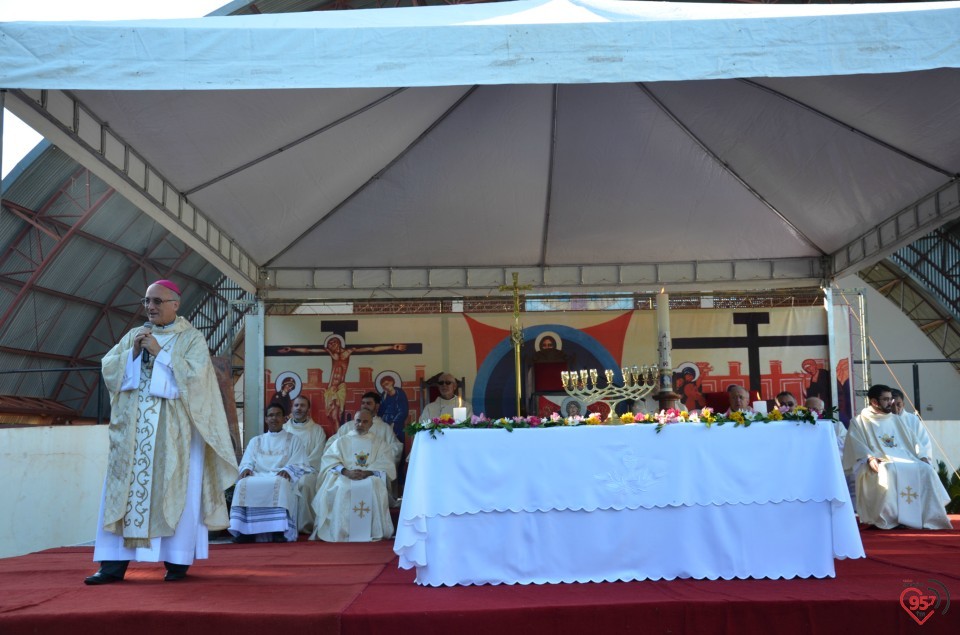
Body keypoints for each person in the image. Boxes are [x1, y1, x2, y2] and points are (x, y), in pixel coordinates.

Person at [86, 280, 238, 585]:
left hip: (174, 435)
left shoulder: (191, 338)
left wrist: (161, 354)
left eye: (157, 301)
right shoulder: (134, 335)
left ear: (175, 304)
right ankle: (112, 567)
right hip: (131, 437)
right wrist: (132, 354)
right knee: (122, 496)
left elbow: (198, 382)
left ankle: (176, 562)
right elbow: (110, 367)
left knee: (174, 489)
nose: (151, 307)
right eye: (146, 301)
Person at [842, 384, 950, 530]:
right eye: (886, 399)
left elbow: (914, 441)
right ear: (874, 402)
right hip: (879, 461)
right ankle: (889, 518)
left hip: (905, 458)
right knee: (887, 470)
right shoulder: (860, 421)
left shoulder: (895, 419)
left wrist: (922, 456)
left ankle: (927, 517)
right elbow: (857, 444)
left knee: (927, 470)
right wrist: (870, 458)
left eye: (891, 399)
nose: (890, 403)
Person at [230, 403, 311, 543]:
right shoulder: (256, 441)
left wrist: (287, 469)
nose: (274, 418)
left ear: (284, 418)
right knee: (243, 483)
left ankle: (278, 531)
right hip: (257, 475)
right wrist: (247, 468)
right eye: (271, 415)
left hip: (280, 476)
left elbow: (300, 462)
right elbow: (247, 460)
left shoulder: (294, 440)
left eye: (278, 414)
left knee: (281, 483)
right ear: (266, 419)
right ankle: (245, 531)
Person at [310, 410, 396, 542]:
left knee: (375, 484)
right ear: (353, 422)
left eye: (365, 421)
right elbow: (329, 460)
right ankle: (341, 531)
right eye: (358, 420)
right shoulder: (341, 441)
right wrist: (346, 471)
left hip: (369, 476)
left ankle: (372, 530)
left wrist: (369, 472)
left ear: (371, 424)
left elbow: (387, 464)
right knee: (342, 485)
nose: (360, 424)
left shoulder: (379, 443)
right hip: (345, 475)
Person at [282, 396, 327, 534]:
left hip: (308, 470)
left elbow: (318, 454)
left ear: (308, 409)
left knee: (304, 483)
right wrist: (288, 469)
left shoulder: (317, 430)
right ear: (291, 408)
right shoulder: (283, 429)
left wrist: (298, 469)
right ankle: (281, 526)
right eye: (296, 405)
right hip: (284, 470)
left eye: (302, 405)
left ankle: (303, 526)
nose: (299, 408)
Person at [377, 373, 410, 442]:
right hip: (385, 421)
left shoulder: (399, 393)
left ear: (392, 382)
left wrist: (394, 423)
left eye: (387, 384)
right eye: (383, 386)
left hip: (397, 422)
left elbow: (403, 410)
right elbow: (380, 411)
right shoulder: (384, 395)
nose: (385, 387)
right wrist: (384, 400)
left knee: (396, 442)